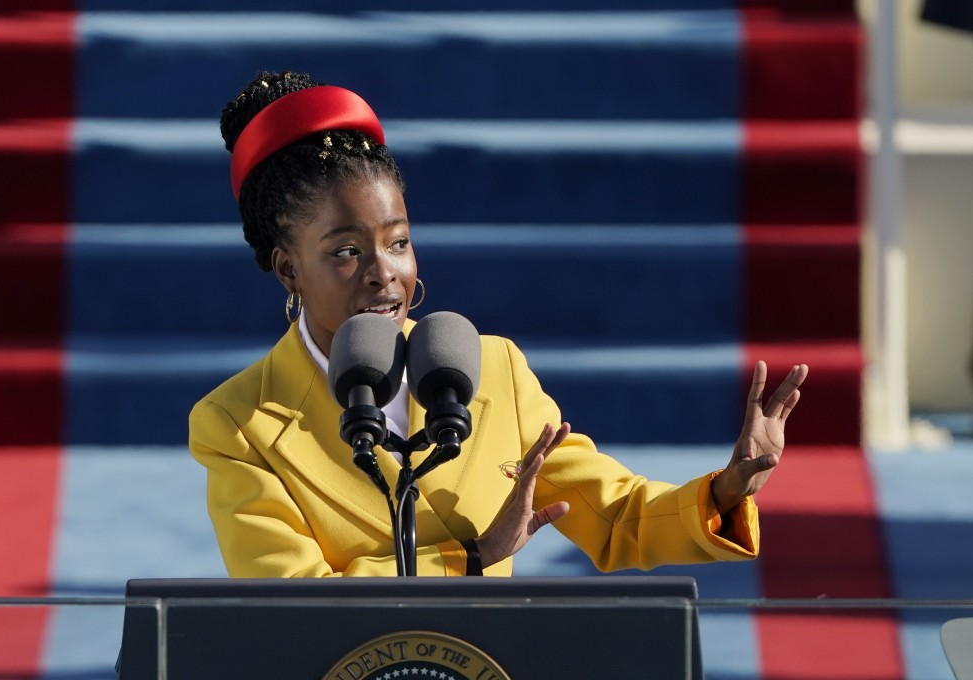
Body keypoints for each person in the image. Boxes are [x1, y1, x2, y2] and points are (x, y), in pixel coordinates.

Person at [189, 70, 809, 578]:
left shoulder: (492, 372)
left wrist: (727, 492)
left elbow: (616, 518)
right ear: (288, 269)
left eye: (398, 242)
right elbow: (291, 607)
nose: (385, 274)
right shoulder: (239, 425)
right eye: (347, 251)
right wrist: (475, 559)